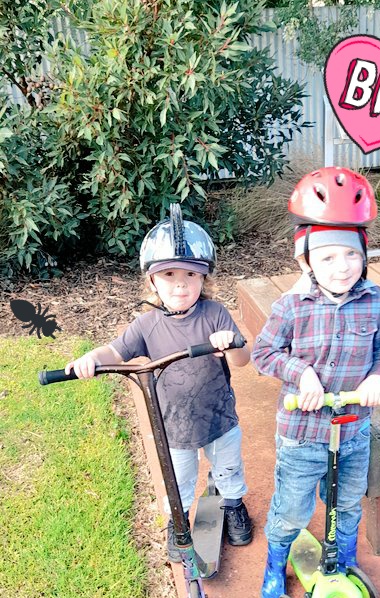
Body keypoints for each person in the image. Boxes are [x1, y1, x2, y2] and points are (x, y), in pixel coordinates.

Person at [65, 204, 252, 561]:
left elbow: (242, 361)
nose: (180, 284)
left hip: (219, 416)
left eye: (190, 275)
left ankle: (232, 504)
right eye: (168, 274)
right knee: (177, 479)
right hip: (173, 424)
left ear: (204, 279)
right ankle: (177, 519)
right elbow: (116, 352)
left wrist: (228, 344)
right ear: (152, 280)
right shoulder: (147, 324)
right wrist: (92, 358)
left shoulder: (214, 315)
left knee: (228, 466)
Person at [251, 167, 380, 598]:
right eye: (329, 257)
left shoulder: (375, 300)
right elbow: (264, 353)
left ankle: (345, 561)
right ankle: (276, 565)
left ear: (365, 255)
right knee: (293, 509)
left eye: (351, 256)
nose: (342, 267)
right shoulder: (291, 306)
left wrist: (379, 375)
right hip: (302, 433)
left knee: (348, 503)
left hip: (353, 430)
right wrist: (301, 373)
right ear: (306, 260)